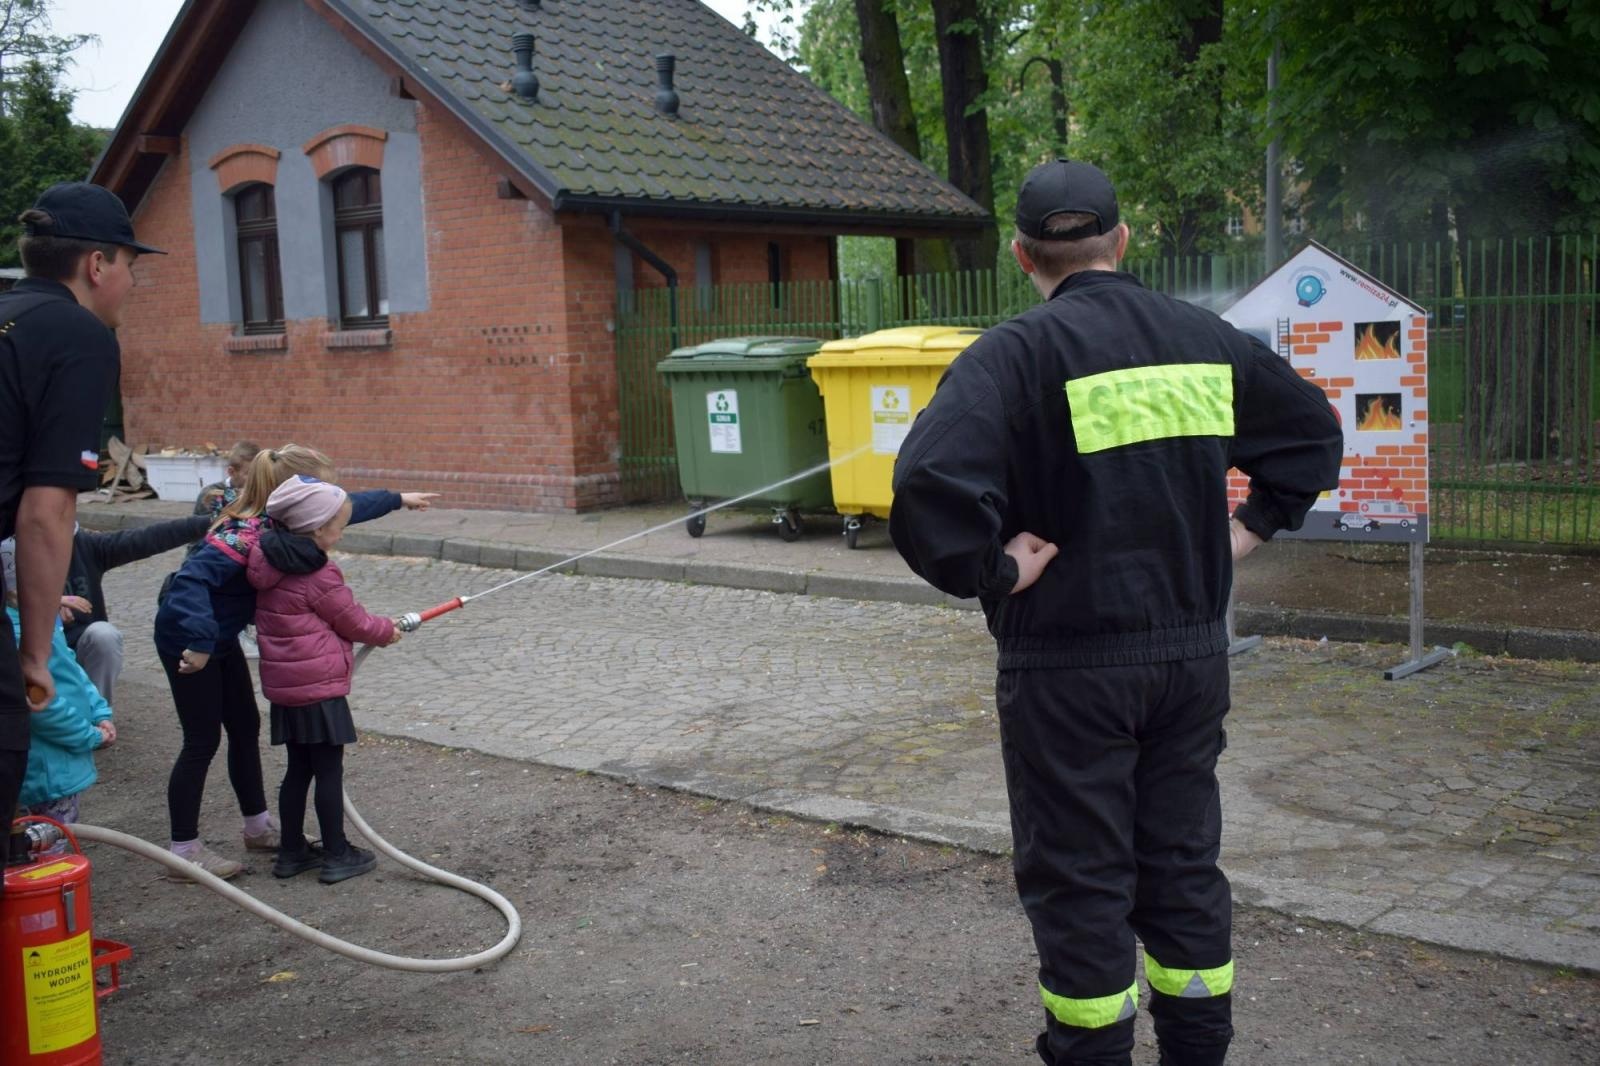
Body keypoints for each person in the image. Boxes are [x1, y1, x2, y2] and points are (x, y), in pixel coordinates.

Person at [888, 160, 1342, 1066]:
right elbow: (1311, 432)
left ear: (1023, 256)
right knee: (1181, 866)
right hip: (1190, 663)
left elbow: (927, 486)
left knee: (1081, 880)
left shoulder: (1012, 357)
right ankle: (1198, 1050)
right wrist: (1249, 528)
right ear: (1123, 241)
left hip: (1068, 671)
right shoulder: (1203, 340)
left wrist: (995, 570)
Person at [153, 444, 436, 879]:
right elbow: (188, 584)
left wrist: (397, 499)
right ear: (292, 492)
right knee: (201, 740)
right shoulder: (244, 537)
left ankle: (257, 826)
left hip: (218, 637)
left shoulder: (284, 524)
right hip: (188, 640)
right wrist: (201, 641)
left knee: (245, 726)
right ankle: (183, 849)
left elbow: (345, 508)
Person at [0, 182, 158, 856]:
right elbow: (46, 512)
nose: (132, 285)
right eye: (131, 266)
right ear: (97, 264)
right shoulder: (78, 333)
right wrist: (36, 655)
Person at [248, 477, 401, 883]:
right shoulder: (318, 572)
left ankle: (292, 852)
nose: (341, 533)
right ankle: (337, 852)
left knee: (298, 769)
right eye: (339, 526)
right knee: (329, 771)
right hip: (319, 688)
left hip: (286, 689)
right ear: (316, 529)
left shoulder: (267, 561)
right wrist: (386, 630)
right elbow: (353, 621)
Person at [5, 541, 115, 832]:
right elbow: (42, 707)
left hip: (61, 763)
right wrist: (89, 735)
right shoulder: (18, 633)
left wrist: (99, 711)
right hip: (47, 771)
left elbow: (71, 667)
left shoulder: (39, 617)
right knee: (47, 845)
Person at [60, 515, 211, 704]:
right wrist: (51, 603)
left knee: (104, 634)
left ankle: (97, 711)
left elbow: (147, 538)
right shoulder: (24, 550)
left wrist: (210, 522)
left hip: (79, 647)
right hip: (38, 651)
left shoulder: (85, 545)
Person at [194, 440, 260, 518]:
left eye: (259, 472)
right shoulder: (211, 496)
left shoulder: (262, 493)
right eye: (249, 474)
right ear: (231, 472)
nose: (256, 478)